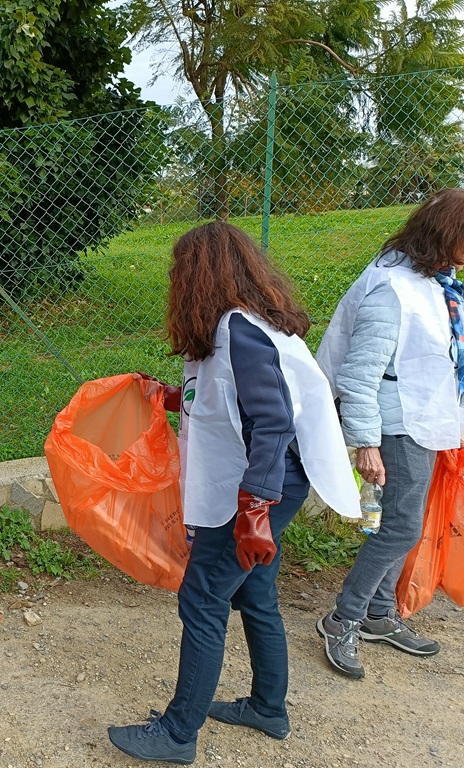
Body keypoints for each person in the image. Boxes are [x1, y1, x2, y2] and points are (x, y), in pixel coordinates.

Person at [108, 222, 358, 765]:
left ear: (200, 276)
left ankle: (177, 735)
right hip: (265, 480)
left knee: (202, 597)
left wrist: (254, 511)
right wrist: (171, 397)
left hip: (263, 483)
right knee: (255, 591)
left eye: (180, 271)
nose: (175, 282)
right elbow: (227, 400)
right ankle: (269, 708)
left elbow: (271, 422)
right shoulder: (236, 327)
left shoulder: (240, 331)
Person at [315, 188, 464, 679]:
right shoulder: (392, 287)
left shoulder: (436, 281)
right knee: (400, 527)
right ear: (447, 234)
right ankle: (343, 619)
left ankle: (379, 615)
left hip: (417, 418)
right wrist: (366, 443)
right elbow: (359, 373)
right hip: (395, 425)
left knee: (401, 522)